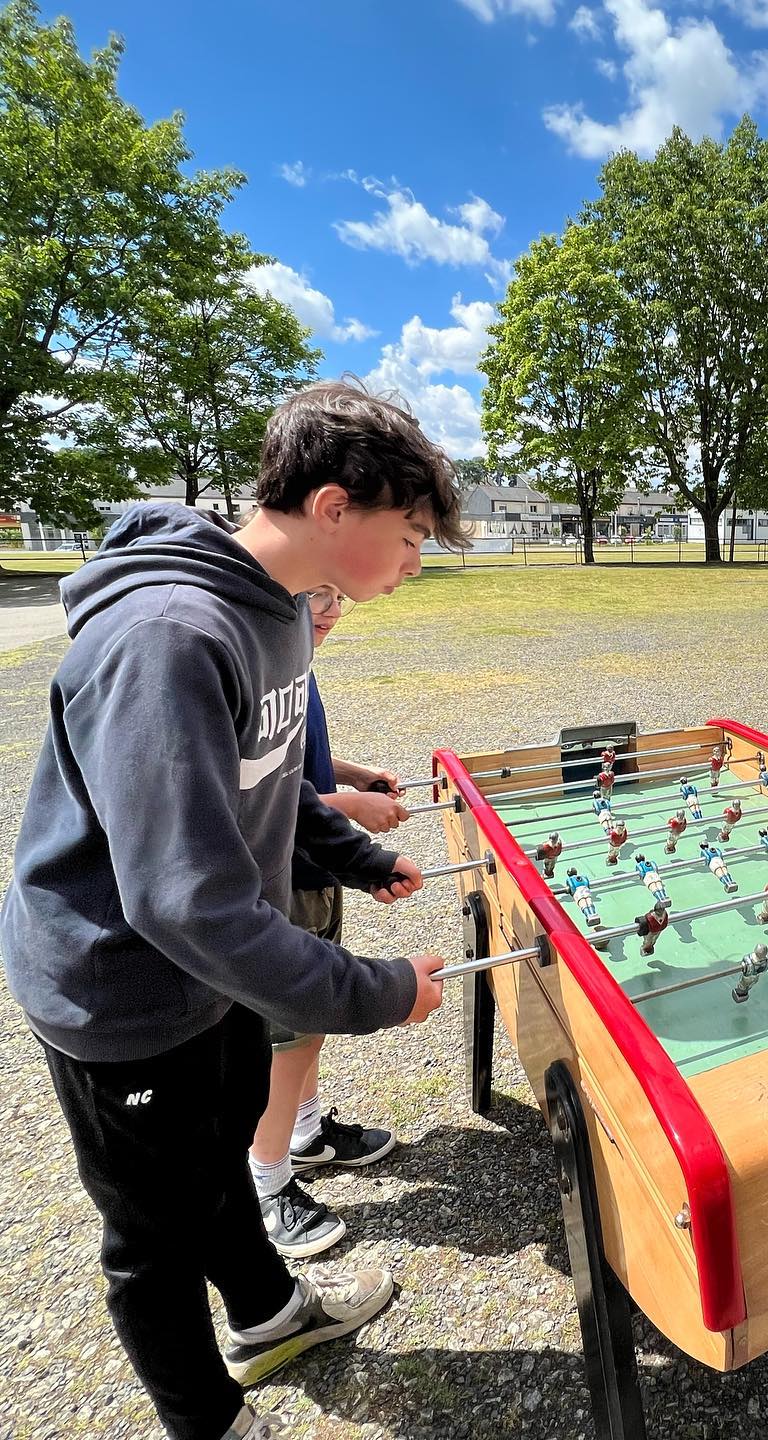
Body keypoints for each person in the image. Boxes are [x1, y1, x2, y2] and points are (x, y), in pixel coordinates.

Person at [0, 380, 468, 1440]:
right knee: (153, 1233)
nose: (412, 562)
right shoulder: (168, 634)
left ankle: (267, 1315)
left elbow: (264, 783)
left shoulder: (276, 619)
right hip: (120, 988)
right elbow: (184, 901)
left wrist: (352, 854)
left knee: (219, 1166)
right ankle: (207, 1419)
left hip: (215, 983)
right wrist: (378, 992)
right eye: (407, 535)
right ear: (336, 507)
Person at [250, 585, 413, 1259]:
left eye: (338, 597)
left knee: (307, 1030)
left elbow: (299, 766)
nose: (331, 609)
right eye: (314, 594)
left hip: (316, 874)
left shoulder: (295, 665)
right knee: (284, 1042)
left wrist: (354, 773)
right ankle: (267, 1187)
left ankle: (306, 1137)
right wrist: (347, 804)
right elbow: (259, 788)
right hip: (281, 880)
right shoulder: (258, 662)